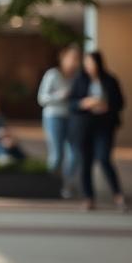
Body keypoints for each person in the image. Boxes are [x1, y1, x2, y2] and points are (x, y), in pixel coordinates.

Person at [69, 50, 126, 211]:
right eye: (86, 63)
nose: (89, 66)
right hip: (84, 125)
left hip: (105, 125)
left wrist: (107, 106)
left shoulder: (110, 80)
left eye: (92, 62)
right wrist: (83, 103)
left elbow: (121, 103)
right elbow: (71, 103)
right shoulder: (80, 80)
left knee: (104, 158)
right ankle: (89, 198)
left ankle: (118, 194)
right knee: (85, 161)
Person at [37, 44, 81, 196]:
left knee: (75, 153)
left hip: (72, 118)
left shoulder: (78, 77)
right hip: (54, 116)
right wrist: (59, 96)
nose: (74, 61)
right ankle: (49, 185)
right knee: (57, 154)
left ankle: (66, 185)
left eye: (77, 58)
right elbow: (41, 98)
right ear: (63, 57)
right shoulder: (53, 74)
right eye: (72, 57)